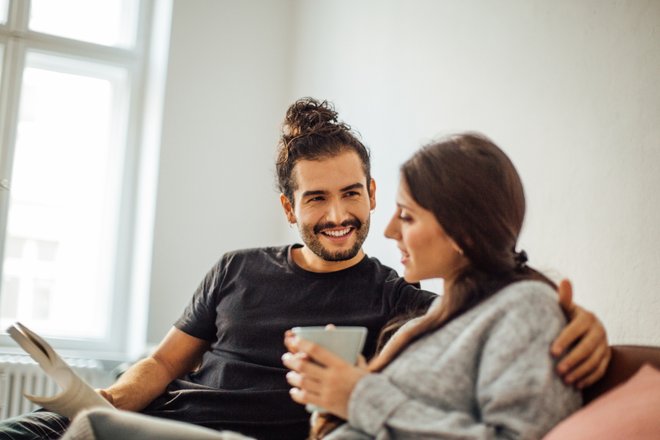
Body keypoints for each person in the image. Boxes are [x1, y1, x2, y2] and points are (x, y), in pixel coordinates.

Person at [0, 99, 608, 440]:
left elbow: (489, 298)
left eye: (352, 194)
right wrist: (99, 400)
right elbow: (162, 364)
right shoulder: (234, 270)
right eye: (316, 199)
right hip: (161, 421)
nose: (339, 215)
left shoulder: (400, 301)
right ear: (289, 206)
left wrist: (575, 319)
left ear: (371, 192)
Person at [282, 133, 584, 438]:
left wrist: (358, 395)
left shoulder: (526, 308)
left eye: (407, 216)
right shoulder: (429, 321)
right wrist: (344, 390)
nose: (388, 230)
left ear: (462, 230)